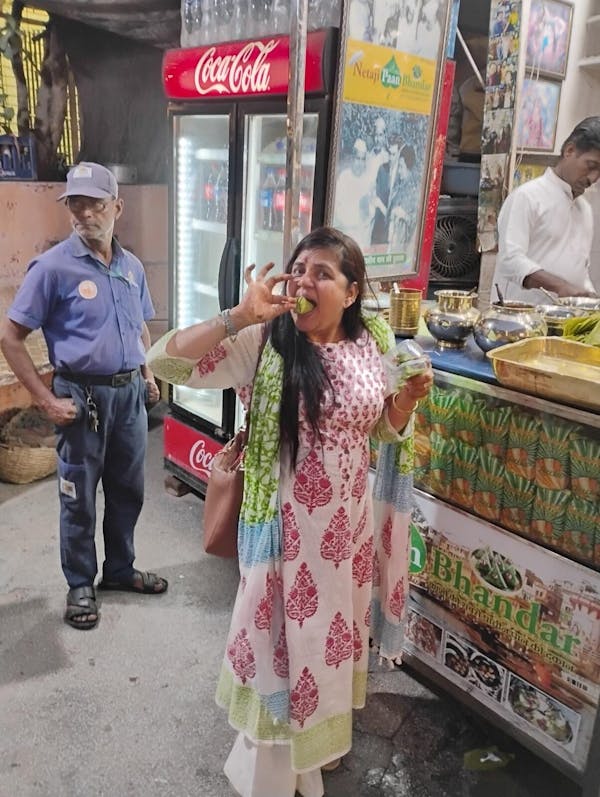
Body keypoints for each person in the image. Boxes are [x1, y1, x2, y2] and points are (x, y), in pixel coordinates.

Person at [147, 227, 433, 797]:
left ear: (351, 293)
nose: (304, 282)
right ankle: (272, 778)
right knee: (278, 659)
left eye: (322, 273)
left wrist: (403, 403)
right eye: (299, 269)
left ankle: (314, 757)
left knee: (324, 655)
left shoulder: (373, 342)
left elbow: (380, 430)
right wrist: (237, 316)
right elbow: (164, 363)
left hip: (343, 540)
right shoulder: (266, 342)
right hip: (282, 538)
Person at [0, 162, 168, 631]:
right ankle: (80, 583)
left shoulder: (131, 267)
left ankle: (119, 569)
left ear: (118, 207)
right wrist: (45, 400)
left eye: (95, 203)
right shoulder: (52, 268)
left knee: (128, 491)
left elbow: (138, 326)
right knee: (78, 497)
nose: (85, 213)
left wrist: (148, 374)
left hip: (128, 396)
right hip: (80, 400)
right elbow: (11, 338)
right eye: (76, 203)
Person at [492, 117, 600, 304]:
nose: (594, 178)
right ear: (569, 151)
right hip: (518, 321)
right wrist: (560, 286)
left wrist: (589, 297)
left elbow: (580, 272)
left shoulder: (585, 211)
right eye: (591, 167)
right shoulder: (527, 197)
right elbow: (510, 260)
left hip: (566, 322)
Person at [333, 139, 377, 249]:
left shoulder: (368, 181)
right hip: (343, 235)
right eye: (358, 158)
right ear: (353, 158)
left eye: (363, 159)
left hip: (361, 238)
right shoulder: (344, 177)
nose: (360, 163)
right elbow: (336, 207)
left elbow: (371, 211)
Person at [371, 137, 415, 246]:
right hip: (380, 228)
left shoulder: (403, 178)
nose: (391, 158)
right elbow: (376, 192)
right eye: (389, 153)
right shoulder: (382, 170)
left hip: (396, 235)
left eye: (394, 154)